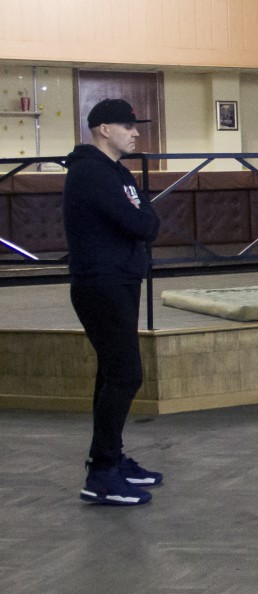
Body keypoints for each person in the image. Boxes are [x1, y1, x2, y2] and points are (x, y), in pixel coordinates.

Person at [63, 98, 162, 506]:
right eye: (127, 126)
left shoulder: (117, 171)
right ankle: (102, 474)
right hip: (100, 283)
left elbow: (147, 222)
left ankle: (108, 459)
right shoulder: (89, 172)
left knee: (111, 374)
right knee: (125, 375)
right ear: (104, 129)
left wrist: (141, 221)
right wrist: (141, 221)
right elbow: (139, 222)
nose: (136, 132)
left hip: (120, 279)